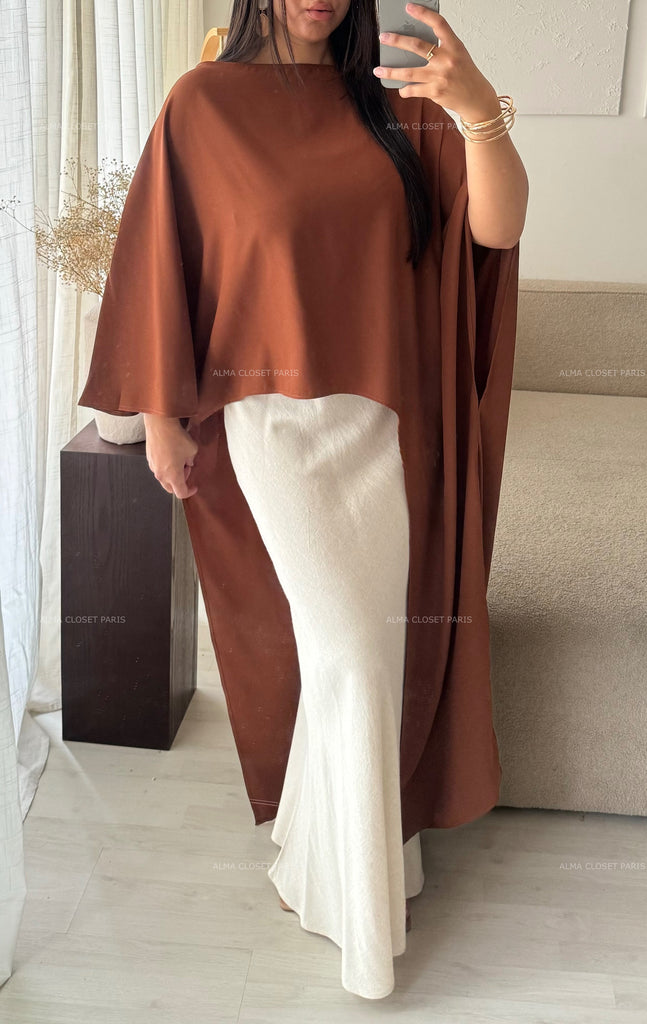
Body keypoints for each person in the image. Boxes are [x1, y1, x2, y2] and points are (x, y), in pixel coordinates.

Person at [78, 0, 528, 1000]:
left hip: (387, 425)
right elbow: (159, 261)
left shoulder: (399, 104)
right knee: (352, 654)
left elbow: (493, 231)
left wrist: (476, 110)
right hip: (273, 425)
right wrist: (160, 416)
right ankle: (363, 927)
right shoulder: (203, 104)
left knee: (363, 654)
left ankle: (321, 858)